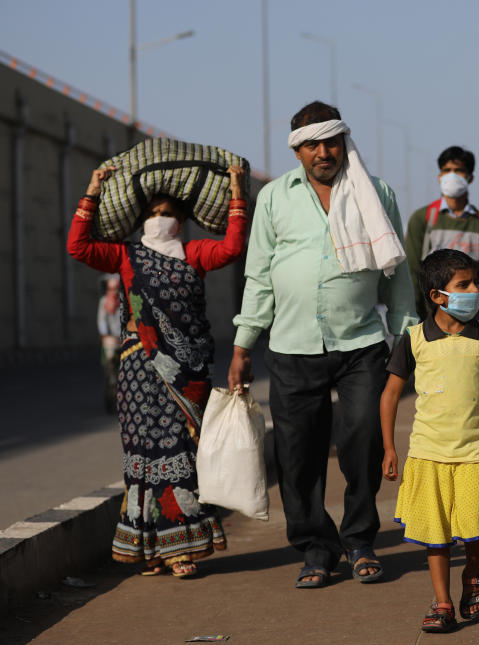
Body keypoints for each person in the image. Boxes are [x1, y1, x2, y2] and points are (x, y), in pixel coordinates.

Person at [228, 101, 418, 589]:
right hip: (291, 347)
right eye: (312, 144)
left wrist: (407, 339)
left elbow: (397, 277)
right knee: (297, 454)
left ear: (343, 142)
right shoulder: (274, 197)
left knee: (364, 441)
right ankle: (316, 548)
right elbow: (259, 274)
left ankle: (359, 540)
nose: (323, 152)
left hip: (361, 344)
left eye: (330, 141)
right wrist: (243, 344)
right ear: (297, 149)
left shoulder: (376, 193)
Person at [67, 164, 249, 578]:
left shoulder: (195, 253)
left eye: (166, 213)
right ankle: (147, 549)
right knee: (140, 460)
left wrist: (237, 191)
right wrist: (92, 189)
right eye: (150, 214)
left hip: (185, 373)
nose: (158, 221)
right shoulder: (125, 254)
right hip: (137, 370)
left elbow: (233, 247)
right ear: (140, 221)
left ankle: (179, 549)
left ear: (181, 221)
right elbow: (78, 247)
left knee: (180, 456)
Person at [381, 248, 479, 633]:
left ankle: (473, 572)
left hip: (473, 452)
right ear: (437, 296)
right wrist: (390, 448)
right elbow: (390, 394)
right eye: (464, 284)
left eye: (474, 282)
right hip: (427, 453)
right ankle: (442, 602)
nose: (474, 290)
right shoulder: (413, 339)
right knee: (436, 533)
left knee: (475, 530)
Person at [404, 146, 479, 350]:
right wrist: (415, 321)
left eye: (458, 170)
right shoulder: (423, 219)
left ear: (470, 177)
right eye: (446, 170)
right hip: (431, 320)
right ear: (439, 176)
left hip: (473, 319)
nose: (451, 176)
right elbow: (412, 273)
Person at [97, 274, 123, 413]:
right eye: (111, 289)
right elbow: (101, 322)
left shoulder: (123, 301)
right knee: (110, 373)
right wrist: (107, 336)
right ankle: (110, 400)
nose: (114, 292)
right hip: (110, 343)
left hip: (123, 342)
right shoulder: (104, 302)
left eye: (116, 289)